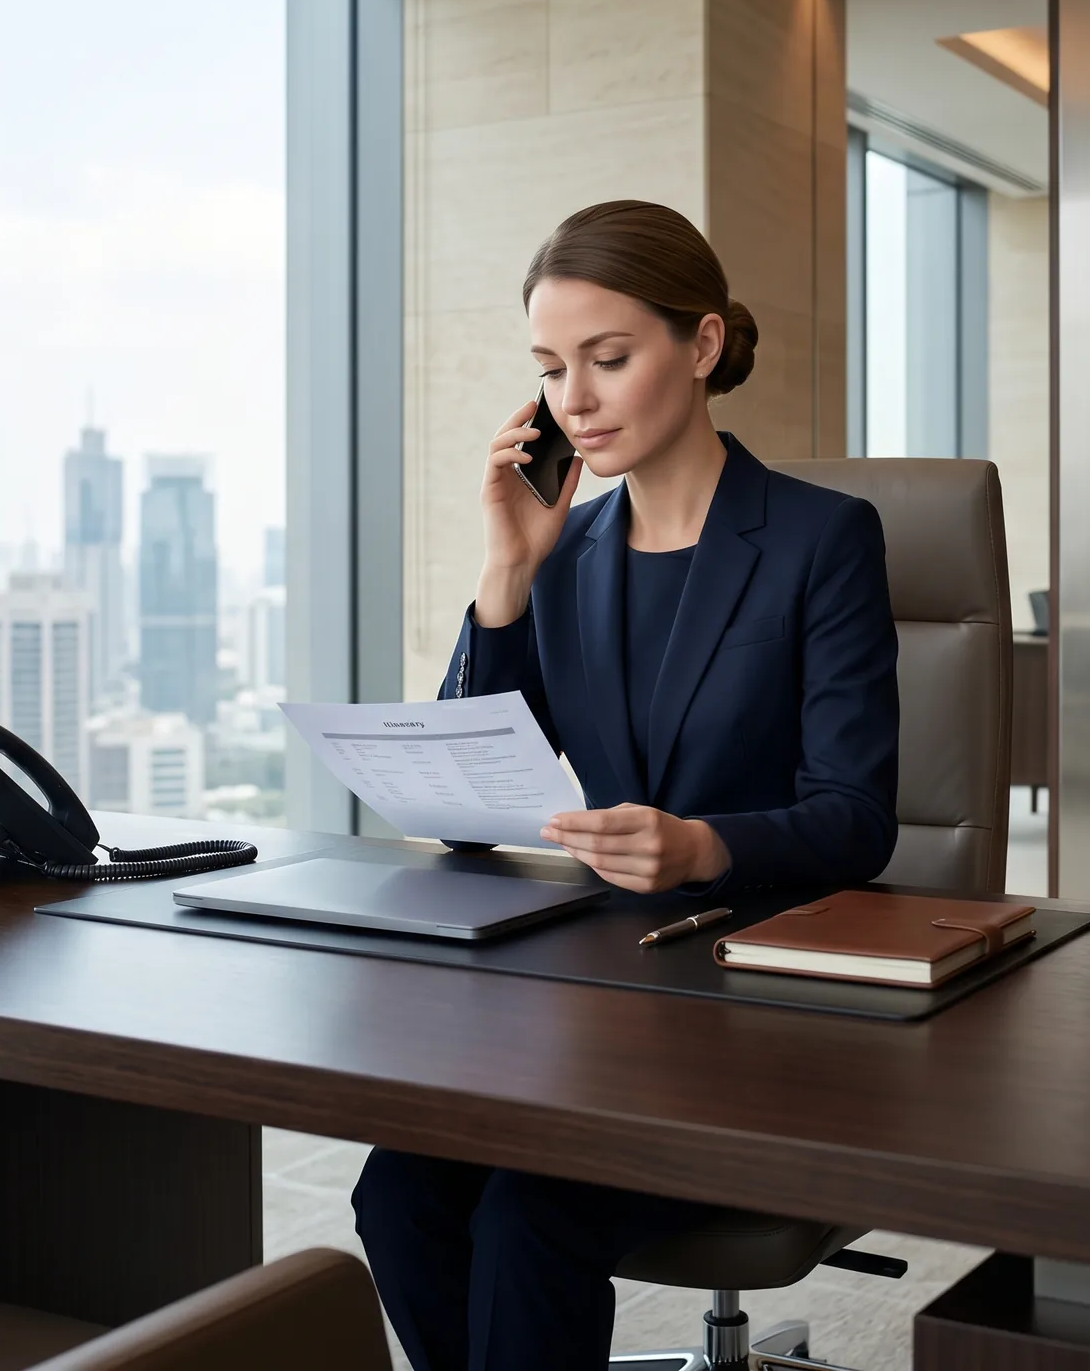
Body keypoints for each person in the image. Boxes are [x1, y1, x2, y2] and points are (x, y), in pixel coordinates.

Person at [352, 199, 900, 1371]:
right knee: (397, 1195)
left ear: (700, 347)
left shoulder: (820, 539)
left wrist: (704, 844)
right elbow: (458, 798)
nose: (575, 402)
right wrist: (506, 568)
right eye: (550, 370)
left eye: (609, 359)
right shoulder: (565, 553)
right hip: (598, 1002)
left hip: (760, 1005)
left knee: (523, 1215)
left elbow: (857, 818)